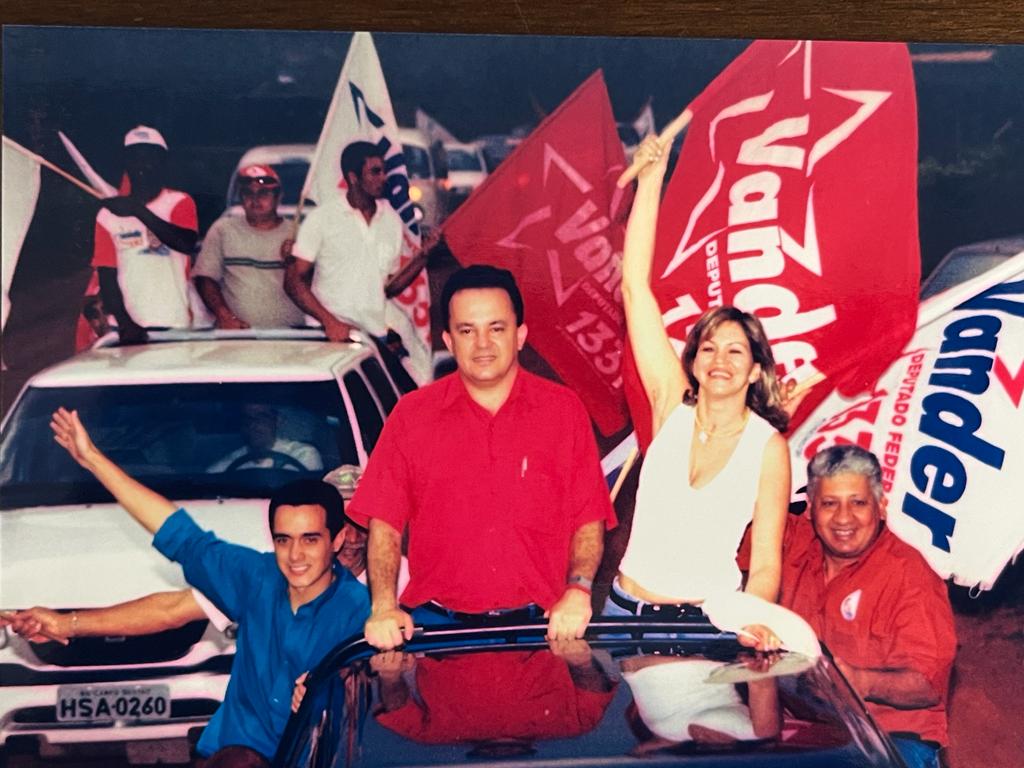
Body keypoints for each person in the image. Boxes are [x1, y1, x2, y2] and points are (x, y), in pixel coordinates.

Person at [43, 407, 369, 764]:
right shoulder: (255, 576)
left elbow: (376, 689)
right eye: (283, 540)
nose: (295, 556)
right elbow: (178, 534)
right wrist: (92, 459)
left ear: (335, 540)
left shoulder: (361, 610)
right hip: (231, 755)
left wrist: (330, 687)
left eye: (310, 540)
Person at [351, 265, 616, 649]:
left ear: (520, 335)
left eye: (496, 328)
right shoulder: (411, 415)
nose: (483, 344)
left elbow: (588, 518)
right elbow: (384, 524)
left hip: (539, 634)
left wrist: (578, 590)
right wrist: (382, 606)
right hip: (436, 633)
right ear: (449, 340)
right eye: (467, 331)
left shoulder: (563, 411)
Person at [604, 135, 791, 651]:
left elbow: (768, 562)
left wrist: (753, 621)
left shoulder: (768, 447)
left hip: (706, 625)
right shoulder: (670, 402)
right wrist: (650, 182)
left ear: (756, 370)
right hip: (621, 613)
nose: (720, 361)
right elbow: (634, 288)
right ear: (693, 360)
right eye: (708, 349)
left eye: (736, 352)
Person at [778, 445, 956, 768]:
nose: (844, 518)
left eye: (858, 502)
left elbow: (928, 684)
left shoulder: (909, 574)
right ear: (809, 509)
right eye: (829, 503)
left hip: (894, 739)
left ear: (881, 507)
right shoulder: (792, 544)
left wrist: (860, 681)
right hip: (803, 734)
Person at [92, 125, 200, 344]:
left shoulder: (180, 202)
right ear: (126, 163)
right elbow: (107, 276)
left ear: (163, 162)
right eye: (134, 158)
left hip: (175, 322)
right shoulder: (107, 215)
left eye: (150, 157)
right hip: (126, 326)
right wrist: (125, 322)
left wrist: (137, 210)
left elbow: (185, 243)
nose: (142, 165)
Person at [193, 164, 306, 329]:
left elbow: (312, 285)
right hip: (239, 335)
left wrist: (293, 260)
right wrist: (225, 316)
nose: (255, 199)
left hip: (290, 334)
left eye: (263, 193)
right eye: (248, 193)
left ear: (278, 196)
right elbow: (205, 279)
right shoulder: (223, 229)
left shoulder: (296, 233)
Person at [207, 403, 322, 473]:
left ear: (277, 421)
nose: (253, 425)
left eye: (261, 417)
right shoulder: (228, 464)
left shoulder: (303, 455)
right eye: (248, 419)